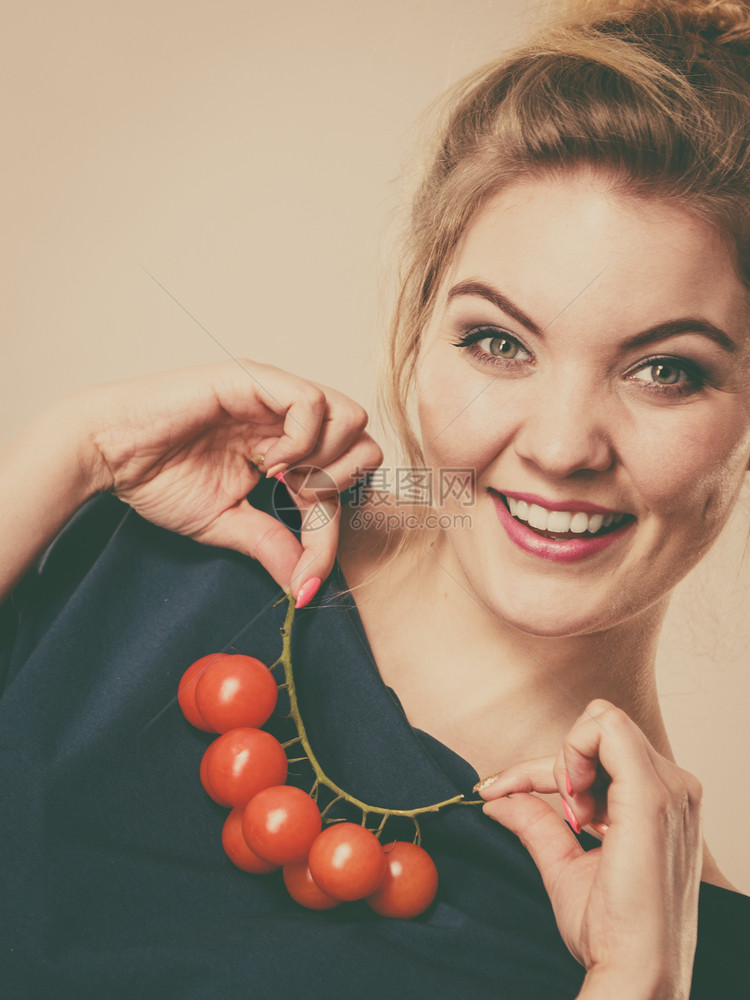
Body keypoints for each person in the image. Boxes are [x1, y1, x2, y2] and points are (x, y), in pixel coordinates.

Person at [2, 0, 749, 996]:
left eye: (666, 370)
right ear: (420, 325)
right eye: (499, 342)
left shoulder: (682, 943)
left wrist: (640, 978)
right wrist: (66, 453)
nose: (563, 446)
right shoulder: (168, 538)